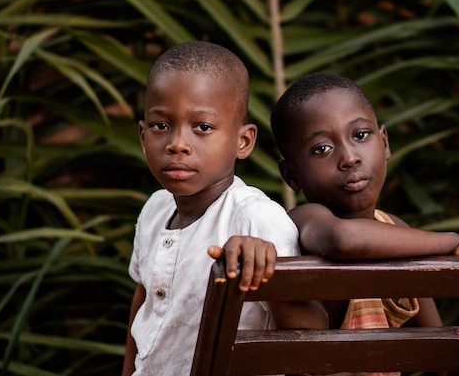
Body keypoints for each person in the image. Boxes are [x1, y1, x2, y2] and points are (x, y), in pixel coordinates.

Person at [122, 42, 327, 376]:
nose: (178, 144)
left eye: (202, 127)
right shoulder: (155, 209)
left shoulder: (255, 219)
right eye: (161, 126)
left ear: (242, 141)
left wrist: (265, 277)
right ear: (143, 136)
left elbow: (312, 333)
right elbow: (144, 304)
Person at [270, 72, 459, 335]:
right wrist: (458, 243)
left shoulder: (395, 229)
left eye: (360, 135)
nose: (349, 157)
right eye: (322, 149)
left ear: (385, 142)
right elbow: (343, 239)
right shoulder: (302, 220)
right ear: (292, 174)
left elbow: (436, 347)